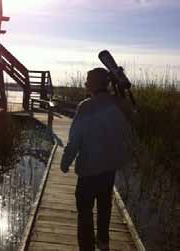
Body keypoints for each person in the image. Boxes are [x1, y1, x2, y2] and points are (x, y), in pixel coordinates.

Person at [60, 67, 131, 251]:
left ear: (97, 83)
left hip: (89, 171)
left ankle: (87, 247)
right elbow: (126, 132)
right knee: (105, 207)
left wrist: (65, 162)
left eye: (88, 80)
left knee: (84, 212)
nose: (85, 83)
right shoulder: (118, 104)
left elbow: (75, 140)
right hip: (109, 170)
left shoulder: (86, 106)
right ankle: (103, 242)